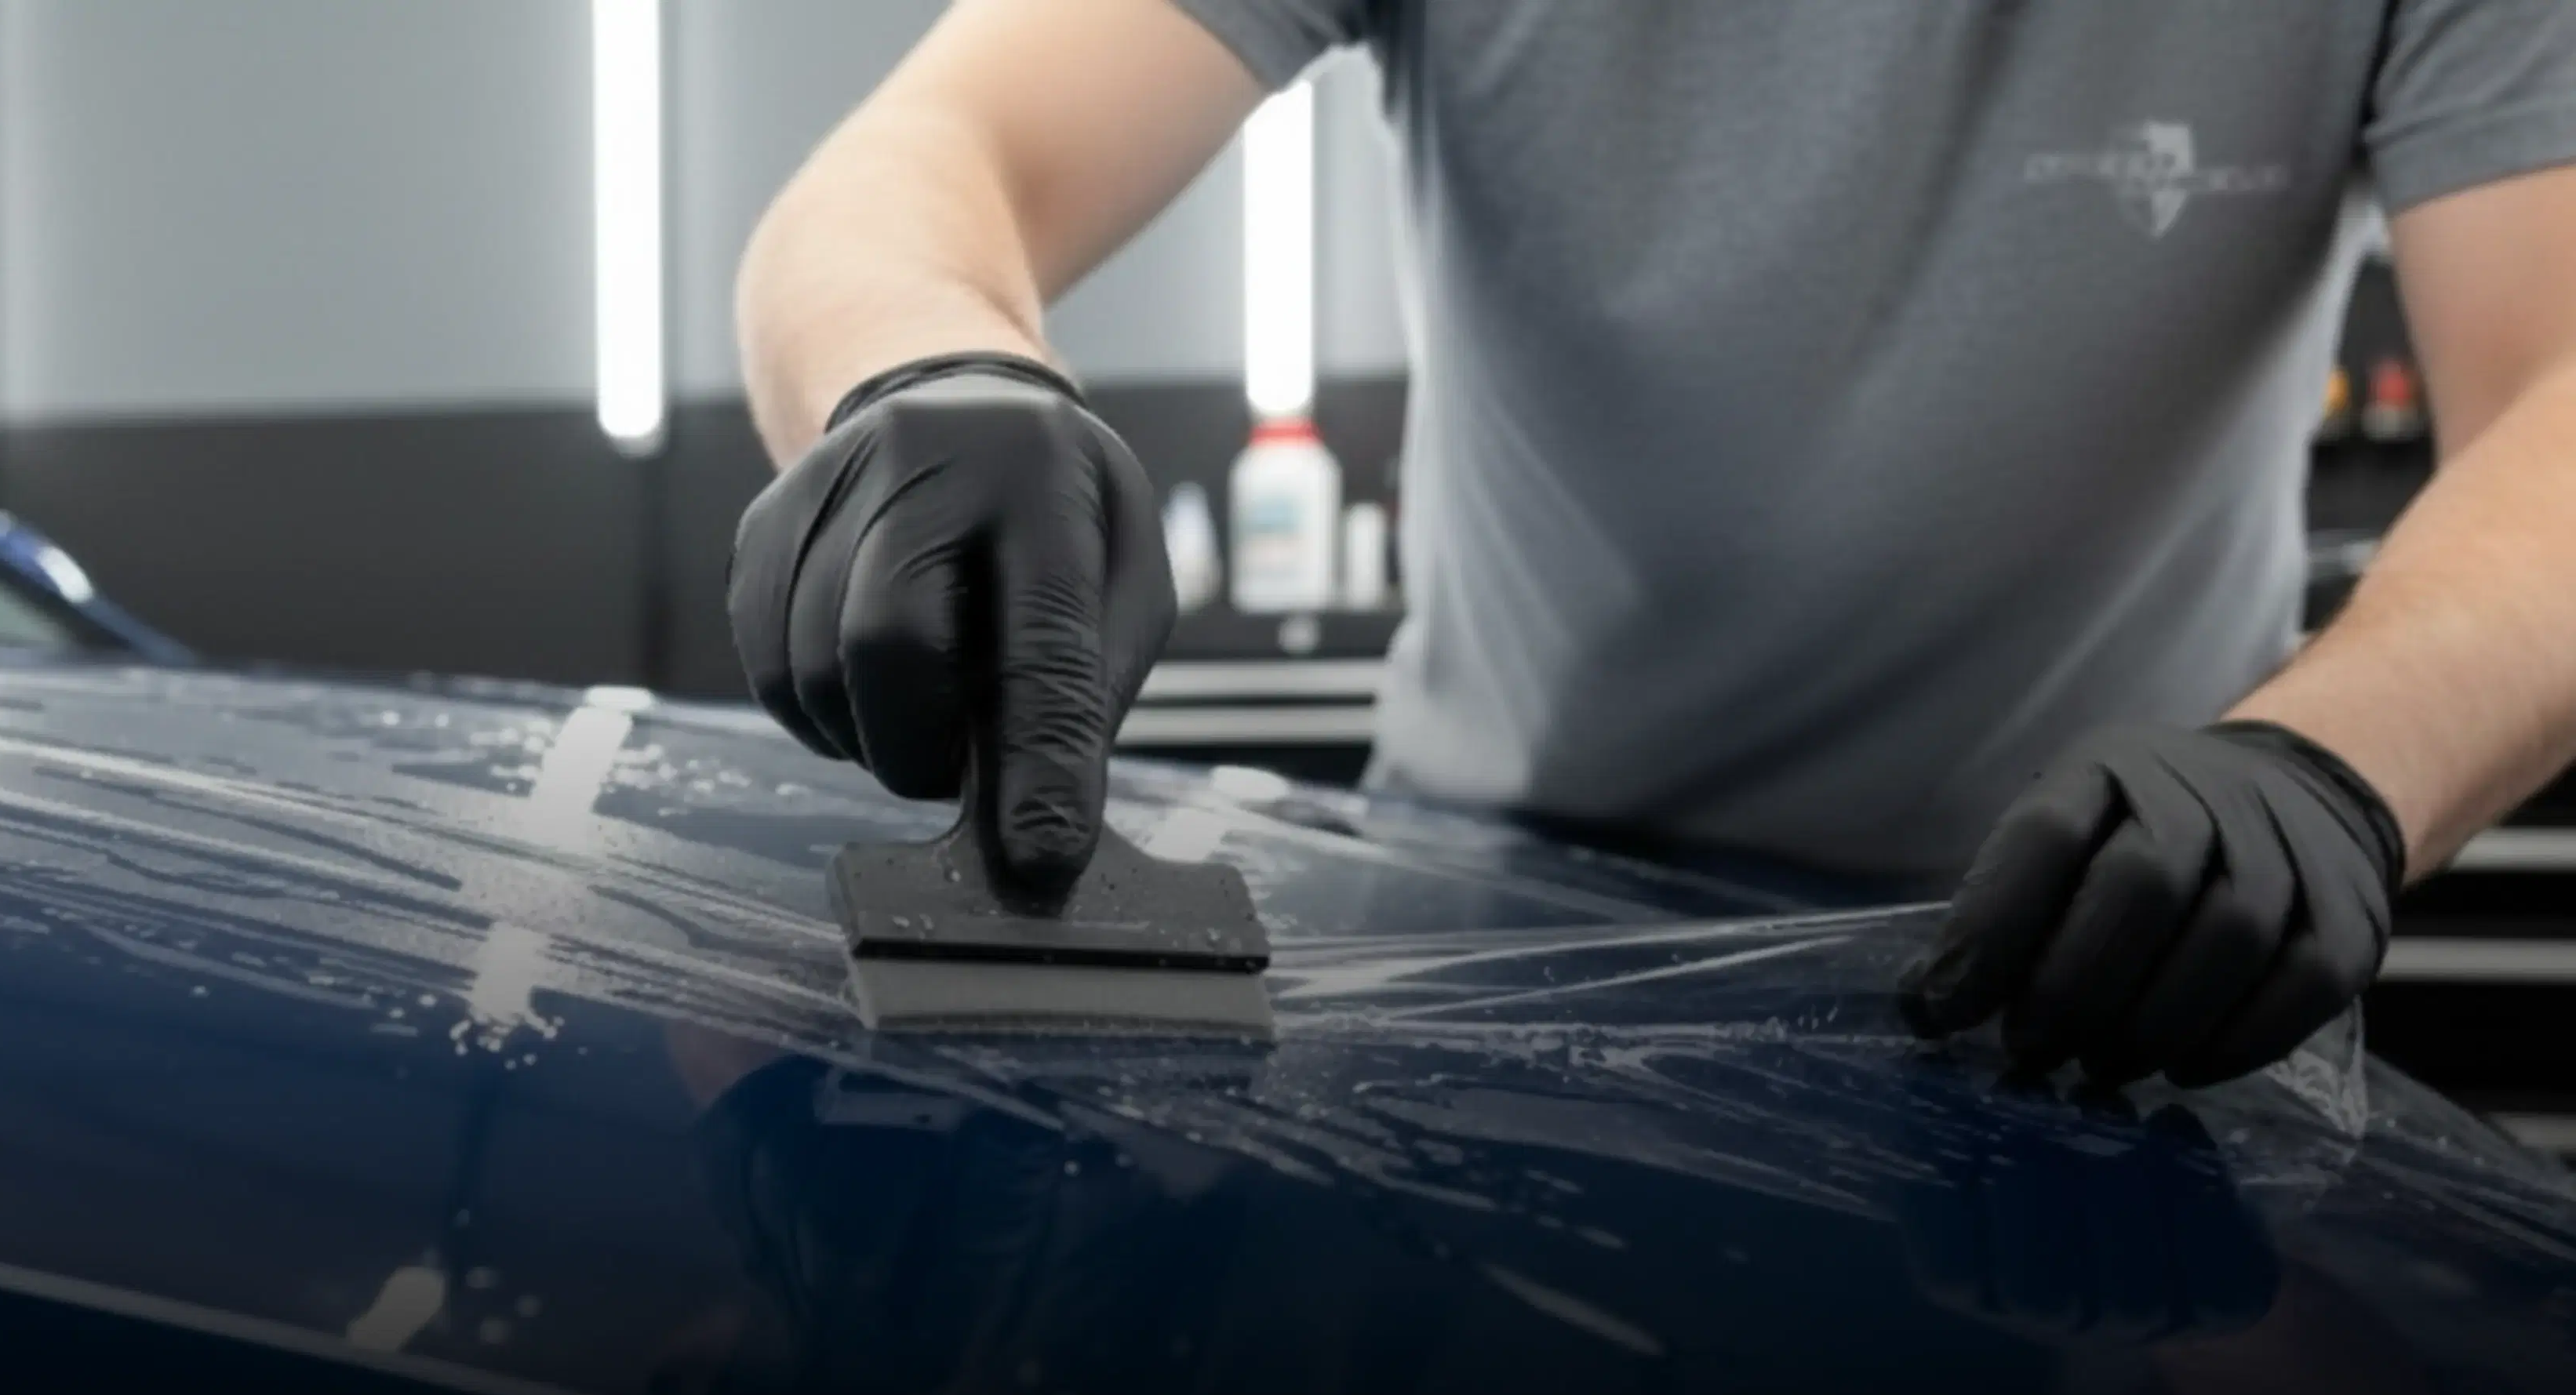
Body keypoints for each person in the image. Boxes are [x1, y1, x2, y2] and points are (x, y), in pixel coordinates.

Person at [726, 0, 2576, 1088]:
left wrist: (2337, 768)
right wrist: (930, 377)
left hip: (2123, 993)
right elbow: (934, 152)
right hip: (1491, 978)